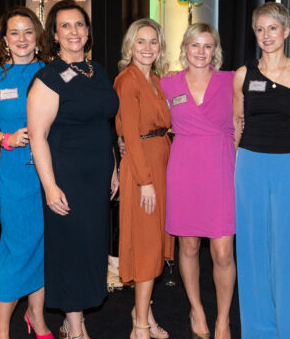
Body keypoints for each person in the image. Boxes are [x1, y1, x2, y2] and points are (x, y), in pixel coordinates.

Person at [27, 0, 119, 339]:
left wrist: (113, 166)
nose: (74, 31)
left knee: (92, 245)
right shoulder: (48, 77)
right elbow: (37, 136)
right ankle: (75, 324)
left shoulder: (98, 70)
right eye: (65, 26)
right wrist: (50, 186)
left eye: (79, 24)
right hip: (66, 176)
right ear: (54, 34)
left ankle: (75, 316)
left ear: (88, 30)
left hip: (98, 175)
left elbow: (104, 122)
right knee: (71, 247)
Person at [0, 7, 54, 339]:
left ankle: (36, 317)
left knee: (43, 245)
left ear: (37, 36)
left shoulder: (49, 71)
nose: (22, 38)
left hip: (47, 172)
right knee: (17, 247)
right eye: (14, 32)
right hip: (13, 173)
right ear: (4, 39)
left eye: (28, 31)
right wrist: (4, 138)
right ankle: (2, 326)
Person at [233, 2, 290, 338]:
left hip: (289, 164)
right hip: (250, 162)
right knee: (252, 246)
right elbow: (237, 123)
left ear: (286, 31)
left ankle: (285, 330)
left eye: (273, 28)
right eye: (260, 29)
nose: (266, 35)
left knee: (287, 246)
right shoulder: (243, 74)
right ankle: (256, 330)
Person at [161, 23, 236, 339]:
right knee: (189, 246)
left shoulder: (231, 80)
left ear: (215, 50)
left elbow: (244, 123)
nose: (201, 52)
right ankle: (197, 309)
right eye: (195, 45)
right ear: (185, 49)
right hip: (184, 170)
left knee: (223, 252)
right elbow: (148, 119)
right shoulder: (167, 83)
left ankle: (223, 319)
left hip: (221, 169)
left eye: (207, 45)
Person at [114, 19, 174, 339]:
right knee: (147, 244)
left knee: (153, 240)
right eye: (141, 41)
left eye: (153, 41)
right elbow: (133, 137)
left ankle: (145, 314)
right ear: (130, 46)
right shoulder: (127, 80)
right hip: (143, 168)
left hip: (160, 159)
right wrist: (145, 181)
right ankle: (139, 326)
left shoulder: (157, 80)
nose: (147, 48)